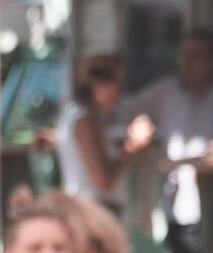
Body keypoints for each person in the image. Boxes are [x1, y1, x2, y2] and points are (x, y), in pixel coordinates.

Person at [123, 29, 213, 253]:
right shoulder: (167, 90)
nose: (188, 62)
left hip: (206, 194)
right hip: (178, 197)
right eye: (185, 55)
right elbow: (126, 111)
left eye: (196, 56)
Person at [55, 55, 154, 214]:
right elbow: (102, 181)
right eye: (117, 84)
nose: (119, 92)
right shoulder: (83, 120)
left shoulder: (73, 115)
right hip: (92, 212)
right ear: (102, 86)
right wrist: (130, 147)